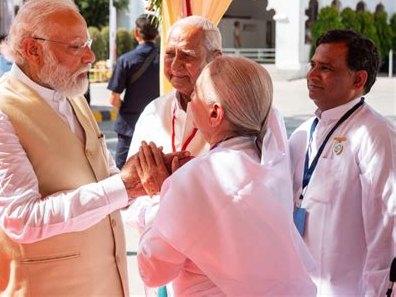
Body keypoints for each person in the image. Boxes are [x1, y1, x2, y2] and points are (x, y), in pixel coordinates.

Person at [0, 0, 187, 296]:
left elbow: (101, 180)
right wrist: (125, 186)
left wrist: (147, 178)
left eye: (88, 45)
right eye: (77, 47)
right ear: (33, 50)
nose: (90, 57)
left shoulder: (71, 98)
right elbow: (22, 219)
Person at [135, 55, 317, 296]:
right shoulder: (273, 159)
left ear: (215, 114)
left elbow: (153, 271)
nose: (190, 100)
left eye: (196, 94)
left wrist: (159, 198)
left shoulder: (195, 179)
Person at [126, 15, 293, 232]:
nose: (175, 65)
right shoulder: (153, 112)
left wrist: (169, 194)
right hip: (160, 248)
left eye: (186, 55)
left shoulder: (256, 113)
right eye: (169, 54)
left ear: (215, 58)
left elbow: (273, 196)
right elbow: (130, 197)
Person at [289, 29, 395, 296]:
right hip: (300, 284)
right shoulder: (303, 132)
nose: (312, 75)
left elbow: (386, 228)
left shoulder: (375, 135)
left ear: (358, 79)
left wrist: (378, 291)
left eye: (325, 68)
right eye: (313, 64)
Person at [107, 14, 160, 169]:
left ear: (137, 33)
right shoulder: (165, 59)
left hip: (128, 125)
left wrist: (126, 109)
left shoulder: (126, 60)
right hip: (157, 125)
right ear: (156, 34)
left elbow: (114, 99)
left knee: (122, 173)